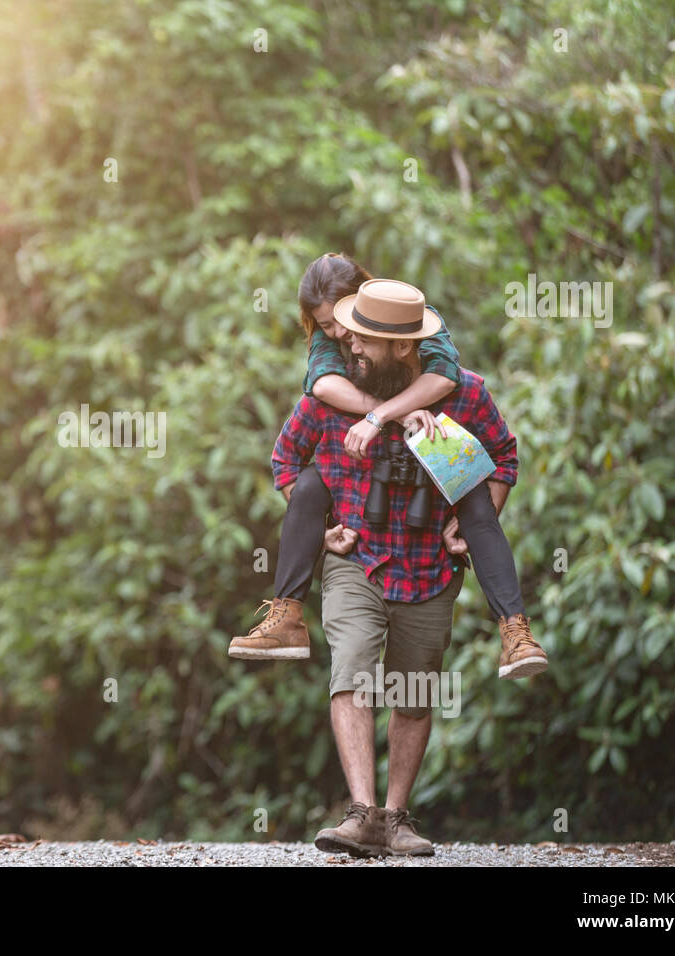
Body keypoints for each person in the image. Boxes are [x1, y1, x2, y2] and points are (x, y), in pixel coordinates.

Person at [263, 278, 542, 855]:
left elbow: (504, 457)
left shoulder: (463, 394)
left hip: (428, 566)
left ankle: (395, 819)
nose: (350, 346)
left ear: (404, 348)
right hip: (356, 562)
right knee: (352, 669)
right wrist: (319, 526)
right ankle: (361, 814)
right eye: (350, 335)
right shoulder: (331, 391)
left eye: (365, 340)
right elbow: (286, 458)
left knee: (413, 693)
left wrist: (476, 515)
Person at [228, 256, 547, 680]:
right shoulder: (335, 344)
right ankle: (286, 616)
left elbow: (448, 379)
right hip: (359, 534)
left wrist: (392, 418)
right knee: (307, 483)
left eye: (353, 329)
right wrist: (391, 415)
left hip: (429, 544)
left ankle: (515, 631)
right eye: (330, 326)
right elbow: (320, 388)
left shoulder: (418, 326)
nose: (344, 336)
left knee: (474, 494)